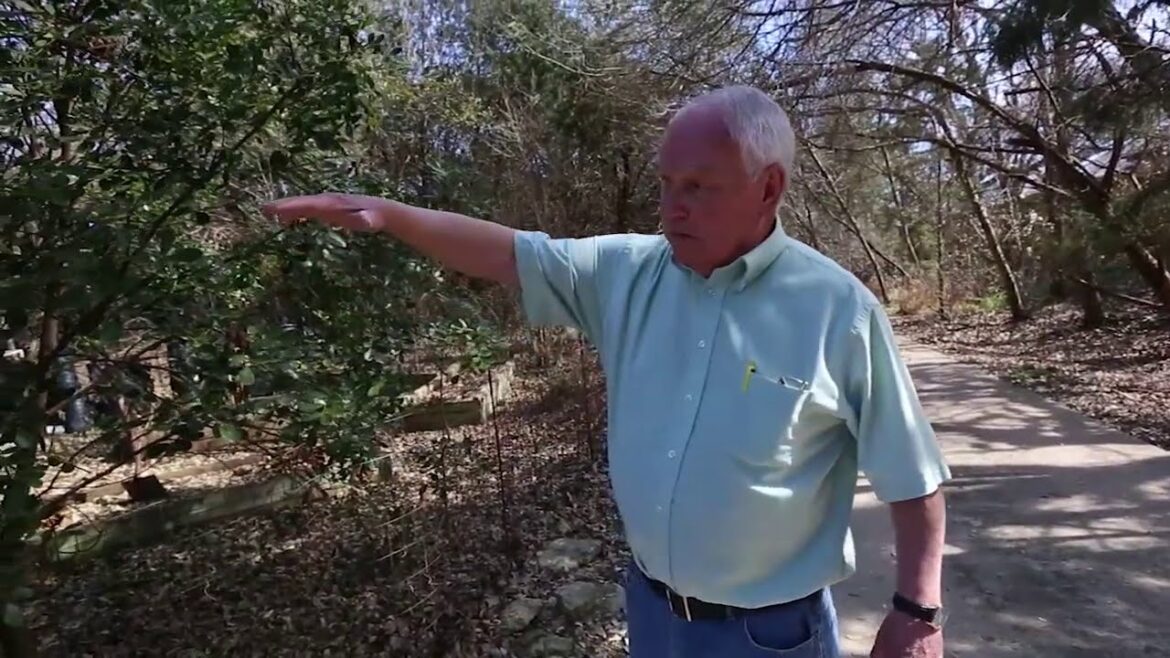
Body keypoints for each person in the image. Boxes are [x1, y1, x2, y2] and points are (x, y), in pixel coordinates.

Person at [263, 85, 950, 658]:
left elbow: (911, 474)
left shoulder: (837, 310)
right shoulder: (626, 273)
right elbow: (508, 253)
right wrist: (389, 216)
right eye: (666, 183)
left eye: (698, 186)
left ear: (768, 187)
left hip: (768, 634)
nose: (672, 207)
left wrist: (917, 614)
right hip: (652, 614)